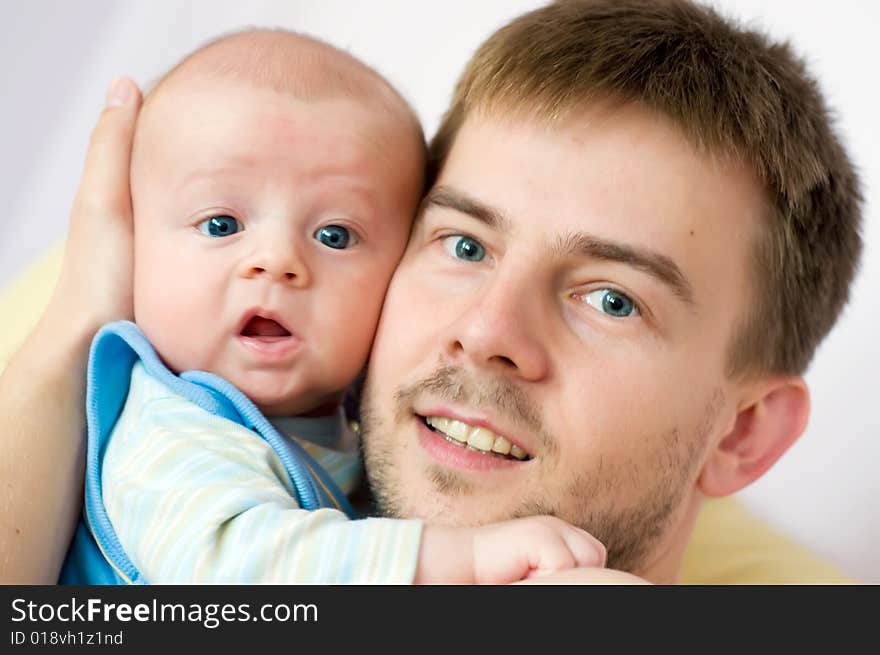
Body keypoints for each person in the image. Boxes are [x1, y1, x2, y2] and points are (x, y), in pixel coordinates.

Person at [0, 0, 860, 585]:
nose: (485, 331)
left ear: (743, 432)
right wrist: (72, 331)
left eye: (611, 298)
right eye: (463, 243)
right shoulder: (168, 346)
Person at [58, 28, 606, 585]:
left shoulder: (353, 422)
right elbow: (234, 573)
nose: (276, 261)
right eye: (221, 225)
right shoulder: (172, 427)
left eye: (335, 236)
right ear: (133, 246)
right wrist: (464, 560)